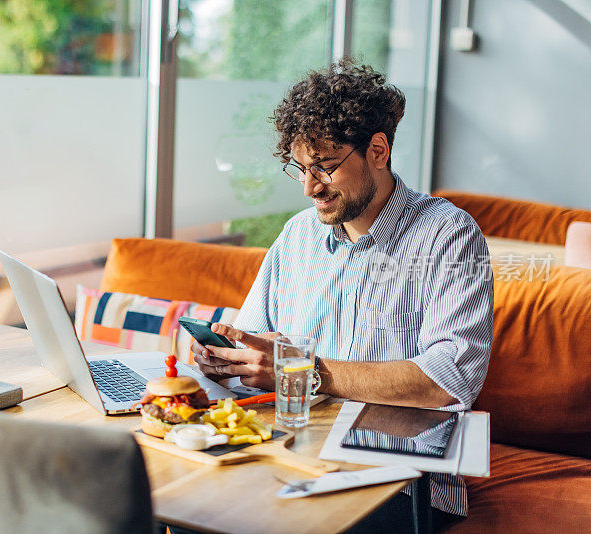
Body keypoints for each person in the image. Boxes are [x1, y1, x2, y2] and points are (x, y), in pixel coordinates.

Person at [191, 58, 493, 531]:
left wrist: (308, 373)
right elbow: (252, 335)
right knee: (183, 507)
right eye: (300, 169)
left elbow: (449, 380)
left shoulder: (448, 236)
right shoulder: (297, 236)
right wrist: (227, 356)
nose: (310, 187)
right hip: (286, 456)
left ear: (378, 150)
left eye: (326, 168)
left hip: (394, 477)